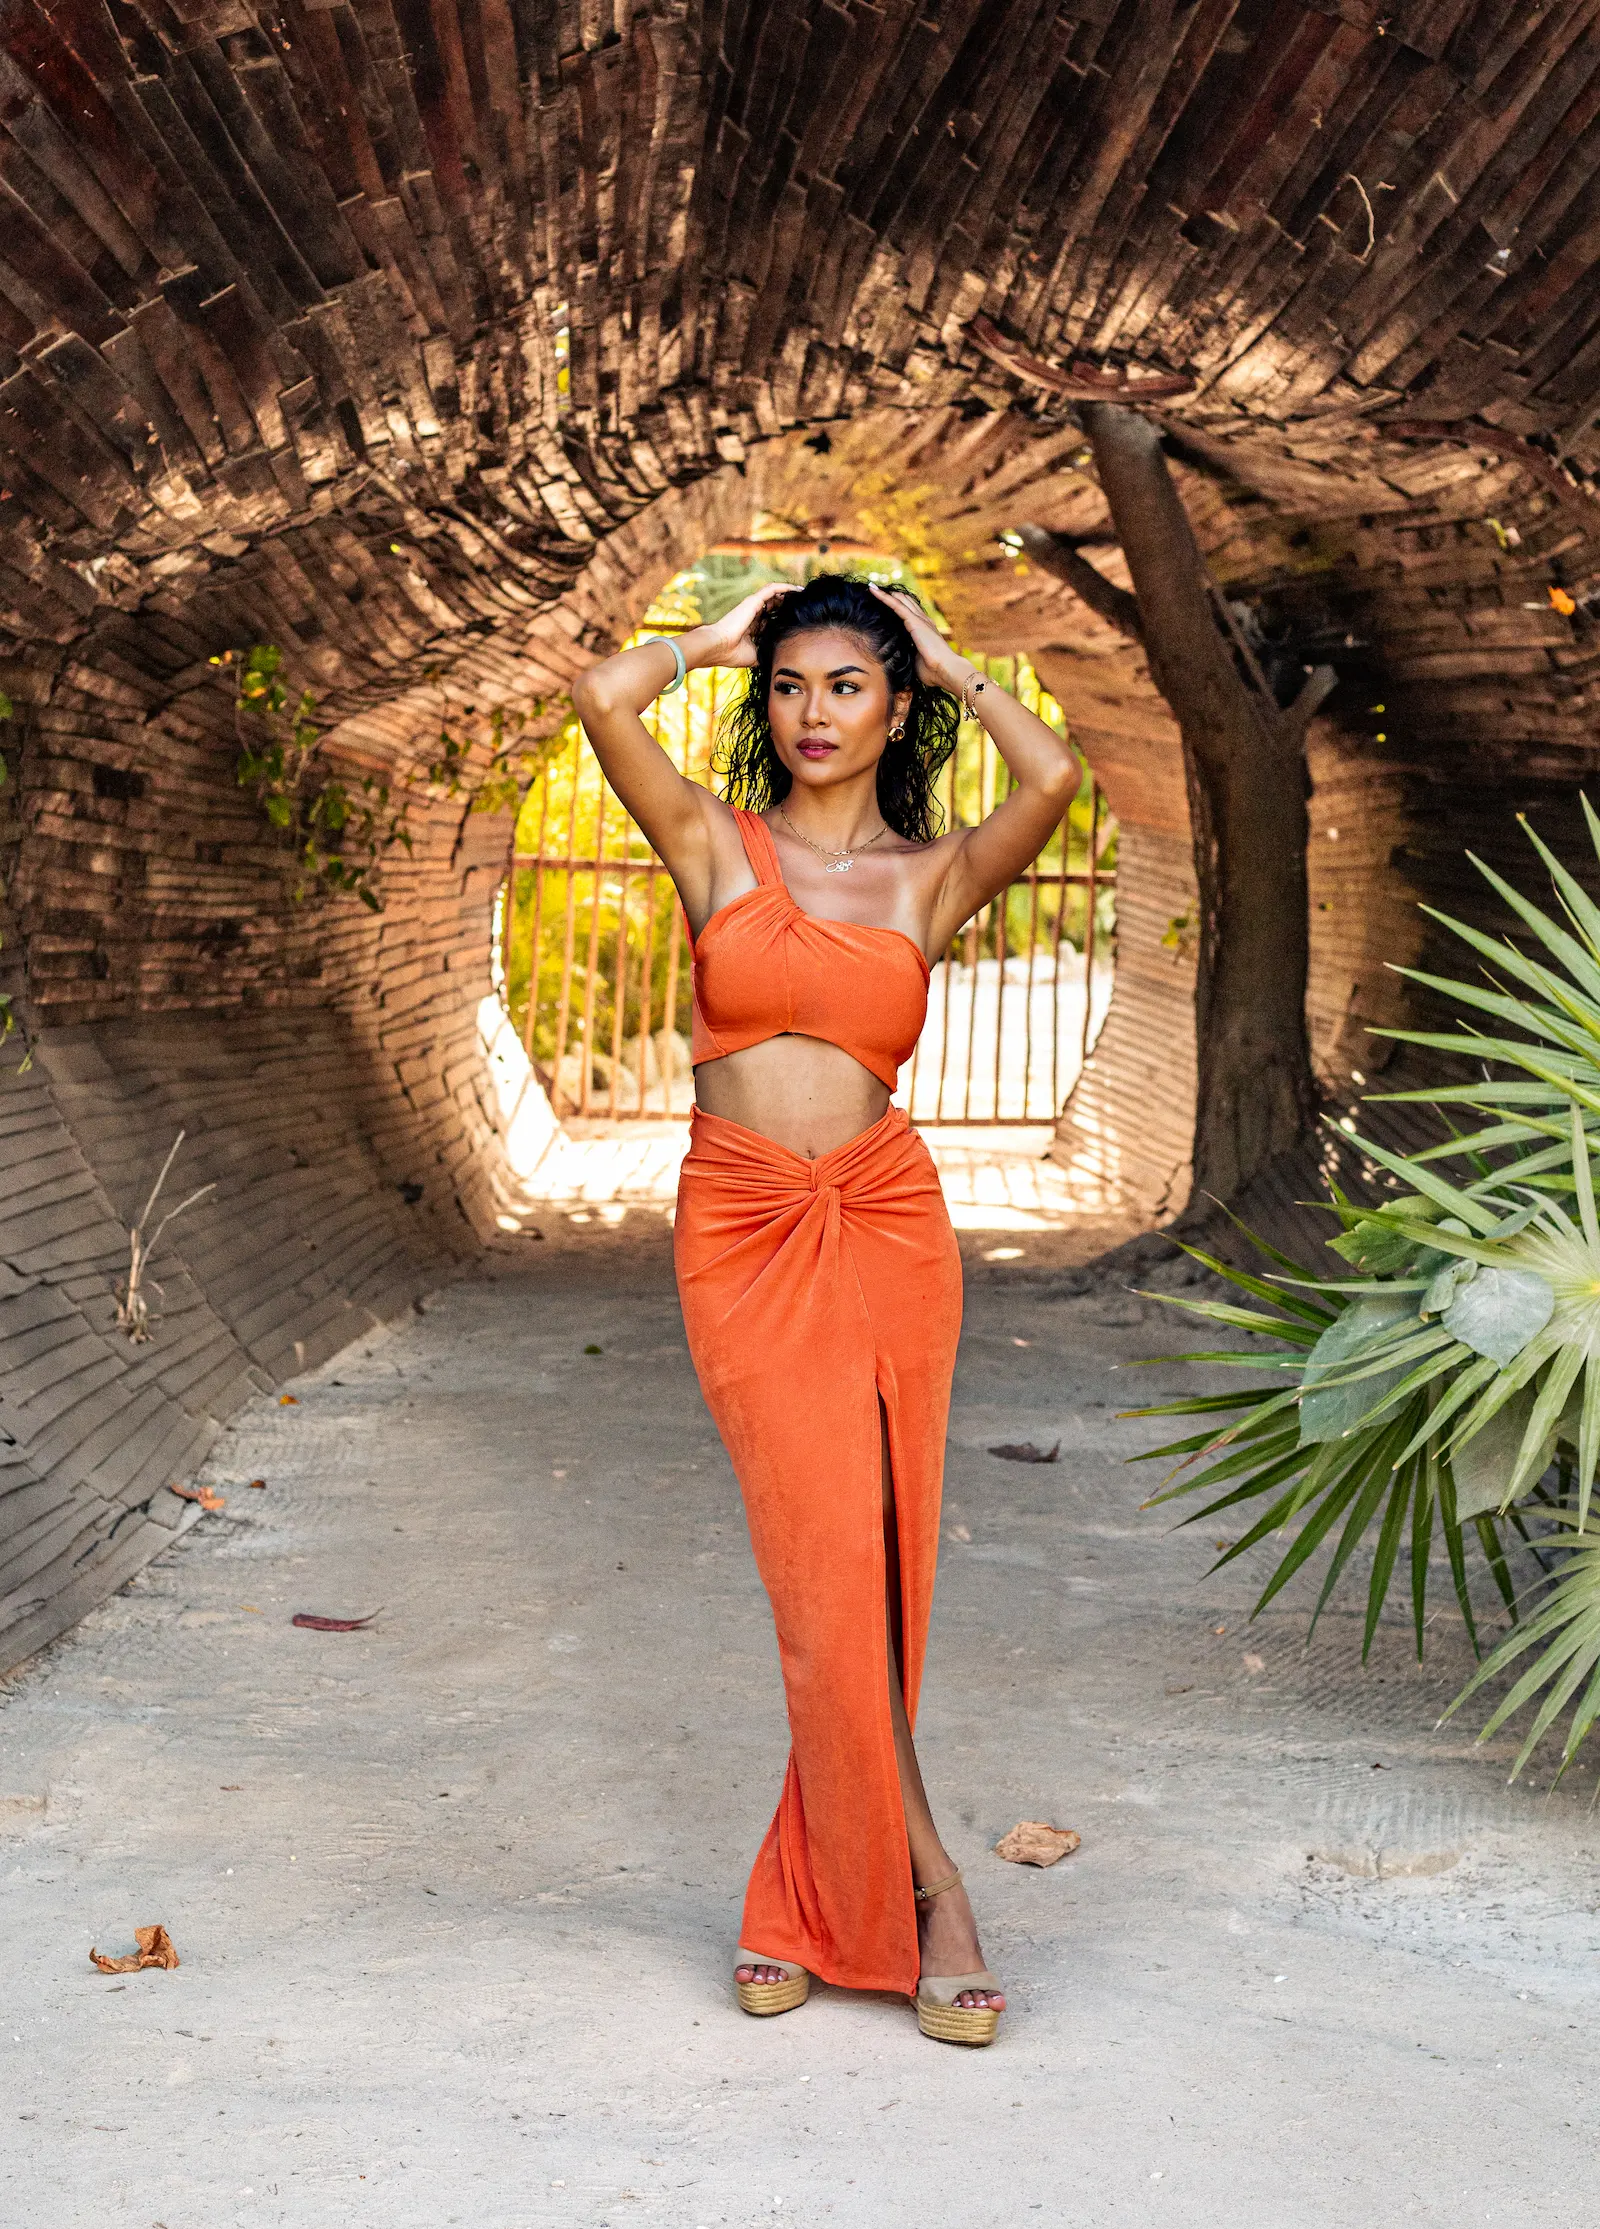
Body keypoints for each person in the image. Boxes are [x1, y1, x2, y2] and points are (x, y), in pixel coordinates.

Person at [571, 575, 1081, 2045]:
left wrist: (948, 653)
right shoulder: (713, 846)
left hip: (884, 1216)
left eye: (847, 686)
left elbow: (1052, 773)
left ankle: (798, 1904)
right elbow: (603, 701)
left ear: (894, 704)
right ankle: (937, 1899)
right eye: (789, 686)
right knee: (817, 1578)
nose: (812, 712)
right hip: (741, 1223)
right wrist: (718, 632)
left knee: (878, 1572)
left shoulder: (930, 879)